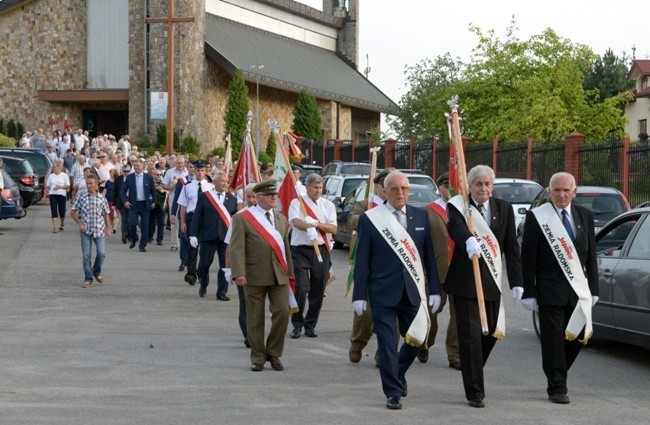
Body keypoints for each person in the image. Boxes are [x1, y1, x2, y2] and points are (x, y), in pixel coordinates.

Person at [352, 170, 441, 410]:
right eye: (395, 189)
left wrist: (435, 289)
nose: (400, 193)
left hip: (413, 291)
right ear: (385, 191)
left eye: (404, 189)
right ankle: (392, 392)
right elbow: (362, 259)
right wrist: (359, 294)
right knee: (387, 343)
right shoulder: (371, 219)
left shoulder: (420, 217)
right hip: (383, 292)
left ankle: (398, 372)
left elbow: (428, 257)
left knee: (419, 337)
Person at [446, 165, 523, 408]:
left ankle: (473, 369)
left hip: (492, 281)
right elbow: (455, 227)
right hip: (464, 282)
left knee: (488, 336)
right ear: (470, 186)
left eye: (487, 184)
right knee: (470, 338)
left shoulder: (504, 208)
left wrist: (518, 282)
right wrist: (468, 239)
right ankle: (474, 391)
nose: (483, 188)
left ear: (493, 186)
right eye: (478, 184)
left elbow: (511, 247)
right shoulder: (459, 205)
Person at [520, 172, 598, 404]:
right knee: (553, 340)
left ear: (574, 192)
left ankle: (558, 372)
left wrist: (594, 289)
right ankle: (556, 387)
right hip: (549, 289)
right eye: (557, 190)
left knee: (579, 336)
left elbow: (591, 256)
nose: (561, 195)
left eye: (566, 190)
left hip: (578, 290)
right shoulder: (537, 217)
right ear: (549, 192)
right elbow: (528, 257)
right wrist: (529, 292)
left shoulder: (584, 215)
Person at [230, 180, 294, 372]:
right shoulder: (243, 218)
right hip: (254, 274)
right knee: (255, 317)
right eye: (269, 195)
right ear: (257, 198)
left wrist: (290, 272)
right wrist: (238, 272)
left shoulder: (281, 219)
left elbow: (285, 248)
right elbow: (236, 248)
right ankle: (258, 357)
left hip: (279, 274)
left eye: (275, 194)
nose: (274, 197)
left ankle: (274, 352)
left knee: (282, 312)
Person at [347, 167, 393, 365]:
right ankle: (357, 343)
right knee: (365, 313)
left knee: (390, 314)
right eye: (386, 186)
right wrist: (371, 215)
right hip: (368, 265)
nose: (390, 190)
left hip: (391, 267)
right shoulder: (365, 205)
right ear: (378, 187)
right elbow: (352, 221)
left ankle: (383, 353)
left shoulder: (400, 207)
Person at [418, 172, 460, 369]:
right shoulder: (427, 211)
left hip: (460, 271)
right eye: (446, 187)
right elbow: (420, 244)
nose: (449, 191)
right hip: (436, 270)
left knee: (458, 315)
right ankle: (425, 343)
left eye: (453, 188)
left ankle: (455, 355)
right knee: (432, 313)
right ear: (440, 189)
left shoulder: (465, 211)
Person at [288, 173, 337, 339]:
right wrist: (307, 226)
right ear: (307, 187)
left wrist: (316, 224)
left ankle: (310, 324)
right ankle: (297, 323)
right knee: (301, 289)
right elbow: (296, 222)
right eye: (315, 187)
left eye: (320, 187)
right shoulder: (298, 202)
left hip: (320, 250)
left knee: (318, 289)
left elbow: (333, 228)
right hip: (300, 250)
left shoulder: (328, 205)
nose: (318, 190)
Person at [189, 172, 237, 299]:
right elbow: (197, 216)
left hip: (225, 237)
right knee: (204, 264)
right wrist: (193, 234)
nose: (225, 184)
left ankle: (221, 292)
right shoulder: (205, 197)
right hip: (208, 235)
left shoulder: (232, 199)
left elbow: (235, 218)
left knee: (224, 265)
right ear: (214, 182)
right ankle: (203, 284)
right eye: (222, 181)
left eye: (226, 181)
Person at [224, 182, 257, 347]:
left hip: (260, 267)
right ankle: (248, 335)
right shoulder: (239, 217)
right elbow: (229, 246)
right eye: (249, 197)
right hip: (242, 266)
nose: (252, 200)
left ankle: (256, 333)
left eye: (254, 197)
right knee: (245, 303)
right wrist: (229, 269)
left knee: (257, 304)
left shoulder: (269, 216)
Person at [70, 173, 111, 288]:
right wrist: (80, 223)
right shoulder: (81, 196)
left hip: (99, 230)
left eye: (91, 183)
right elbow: (72, 212)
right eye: (87, 183)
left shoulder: (102, 198)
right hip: (86, 231)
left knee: (101, 253)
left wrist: (109, 229)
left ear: (96, 184)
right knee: (86, 256)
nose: (88, 186)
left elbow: (106, 214)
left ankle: (96, 272)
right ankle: (88, 279)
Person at [177, 161, 214, 284]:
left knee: (205, 248)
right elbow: (183, 205)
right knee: (192, 246)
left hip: (206, 218)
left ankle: (202, 272)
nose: (200, 173)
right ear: (194, 171)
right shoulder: (187, 186)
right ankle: (191, 274)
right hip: (192, 218)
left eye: (202, 170)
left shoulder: (210, 187)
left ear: (206, 171)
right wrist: (182, 222)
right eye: (198, 170)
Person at [120, 159, 156, 252]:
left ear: (143, 167)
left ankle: (142, 245)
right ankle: (134, 238)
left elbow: (153, 191)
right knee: (132, 223)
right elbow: (123, 190)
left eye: (138, 165)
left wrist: (153, 201)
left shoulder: (148, 177)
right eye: (135, 165)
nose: (136, 167)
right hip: (133, 204)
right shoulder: (130, 177)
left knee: (144, 225)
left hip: (145, 204)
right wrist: (125, 201)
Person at [45, 162, 70, 233]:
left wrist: (61, 187)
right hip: (52, 194)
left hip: (61, 194)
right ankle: (55, 227)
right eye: (53, 167)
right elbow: (48, 186)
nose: (53, 169)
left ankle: (62, 223)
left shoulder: (64, 175)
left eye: (54, 167)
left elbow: (68, 186)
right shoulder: (51, 176)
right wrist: (45, 194)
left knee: (62, 211)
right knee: (53, 210)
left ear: (59, 168)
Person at [148, 169, 167, 245]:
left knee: (161, 223)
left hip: (161, 205)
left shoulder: (163, 182)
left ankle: (159, 239)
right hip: (151, 204)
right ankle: (149, 237)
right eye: (157, 174)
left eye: (160, 175)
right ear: (153, 174)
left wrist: (161, 189)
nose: (158, 176)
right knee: (150, 222)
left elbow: (167, 191)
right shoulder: (149, 181)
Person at [113, 164, 132, 244]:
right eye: (124, 171)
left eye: (128, 171)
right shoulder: (118, 179)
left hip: (132, 202)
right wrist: (114, 204)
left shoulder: (133, 178)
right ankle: (124, 235)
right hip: (121, 202)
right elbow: (115, 191)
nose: (126, 173)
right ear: (122, 171)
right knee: (124, 219)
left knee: (131, 219)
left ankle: (129, 235)